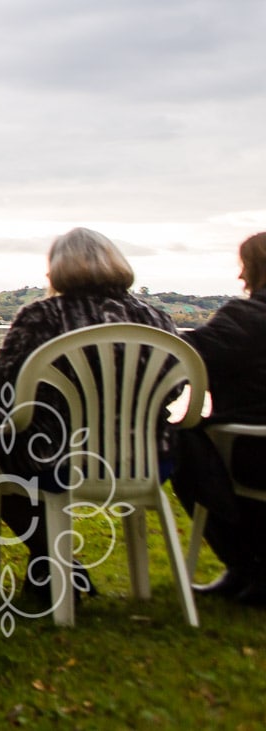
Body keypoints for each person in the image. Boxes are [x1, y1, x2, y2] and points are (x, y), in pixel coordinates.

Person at [0, 227, 176, 600]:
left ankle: (58, 567)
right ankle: (58, 572)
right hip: (146, 461)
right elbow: (175, 386)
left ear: (56, 270)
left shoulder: (41, 317)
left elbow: (1, 396)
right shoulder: (157, 319)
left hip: (56, 459)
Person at [172, 232, 266, 605]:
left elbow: (186, 358)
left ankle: (246, 564)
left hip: (251, 447)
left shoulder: (247, 317)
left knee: (177, 443)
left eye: (245, 266)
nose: (241, 277)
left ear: (255, 268)